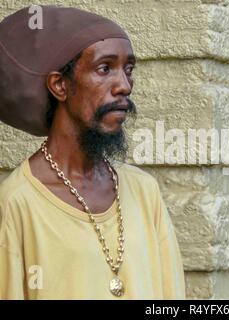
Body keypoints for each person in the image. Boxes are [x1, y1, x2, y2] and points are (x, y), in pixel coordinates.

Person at [0, 5, 185, 299]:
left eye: (129, 69)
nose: (124, 86)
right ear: (60, 85)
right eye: (105, 68)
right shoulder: (17, 201)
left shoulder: (144, 190)